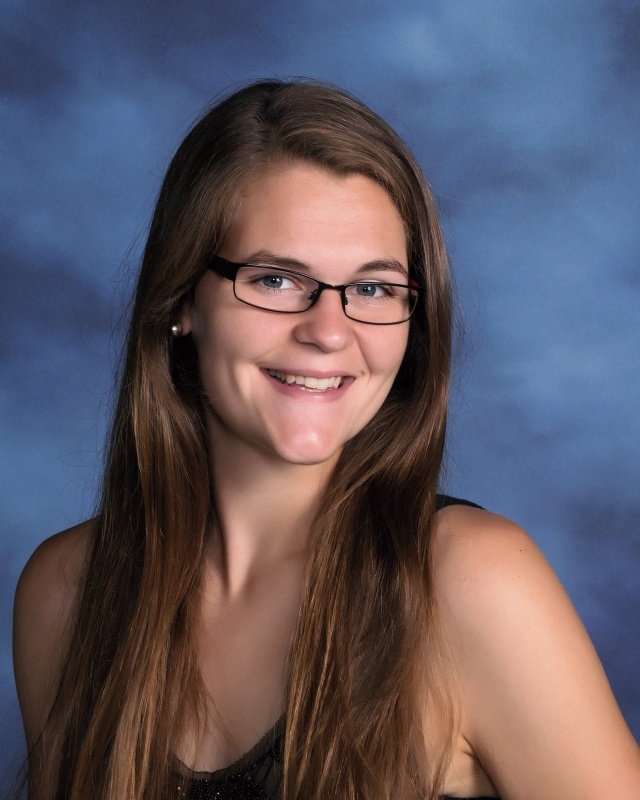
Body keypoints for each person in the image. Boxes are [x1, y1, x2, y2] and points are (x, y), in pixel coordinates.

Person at [12, 79, 640, 800]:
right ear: (182, 298)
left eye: (373, 289)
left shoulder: (470, 582)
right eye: (277, 280)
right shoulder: (66, 593)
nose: (330, 332)